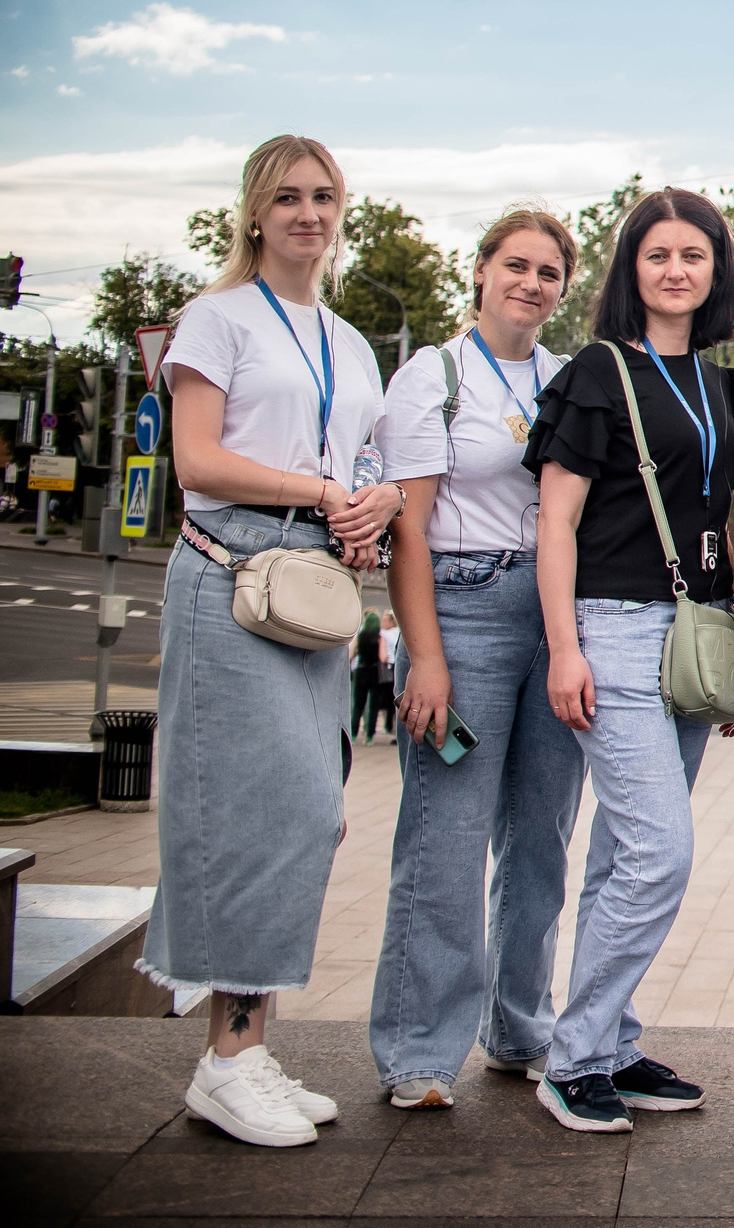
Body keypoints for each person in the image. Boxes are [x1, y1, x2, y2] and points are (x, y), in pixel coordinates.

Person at [146, 134, 399, 1147]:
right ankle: (228, 1057)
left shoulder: (348, 338)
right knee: (270, 808)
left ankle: (248, 1046)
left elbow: (365, 451)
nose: (307, 212)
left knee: (309, 817)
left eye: (324, 195)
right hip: (231, 575)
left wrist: (373, 494)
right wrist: (322, 490)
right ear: (253, 213)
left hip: (315, 589)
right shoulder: (217, 319)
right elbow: (198, 459)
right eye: (287, 197)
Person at [527, 188, 734, 1133]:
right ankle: (572, 1055)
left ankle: (611, 1042)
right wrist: (564, 648)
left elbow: (730, 522)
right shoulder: (597, 370)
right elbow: (557, 521)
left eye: (693, 255)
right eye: (657, 254)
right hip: (611, 628)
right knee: (661, 852)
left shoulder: (719, 382)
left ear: (715, 271)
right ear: (633, 270)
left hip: (695, 630)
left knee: (625, 853)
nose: (675, 269)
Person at [370, 207, 583, 1110]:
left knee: (541, 838)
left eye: (548, 271)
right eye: (517, 266)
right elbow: (406, 531)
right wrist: (426, 655)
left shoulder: (570, 378)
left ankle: (518, 1024)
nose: (531, 283)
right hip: (464, 608)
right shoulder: (434, 376)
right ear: (482, 271)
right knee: (446, 836)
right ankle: (419, 1049)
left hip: (558, 615)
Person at [352, 612, 388, 741]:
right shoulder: (379, 637)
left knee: (358, 704)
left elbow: (352, 653)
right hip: (374, 672)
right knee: (373, 705)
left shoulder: (360, 636)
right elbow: (382, 656)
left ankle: (353, 734)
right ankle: (369, 736)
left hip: (361, 670)